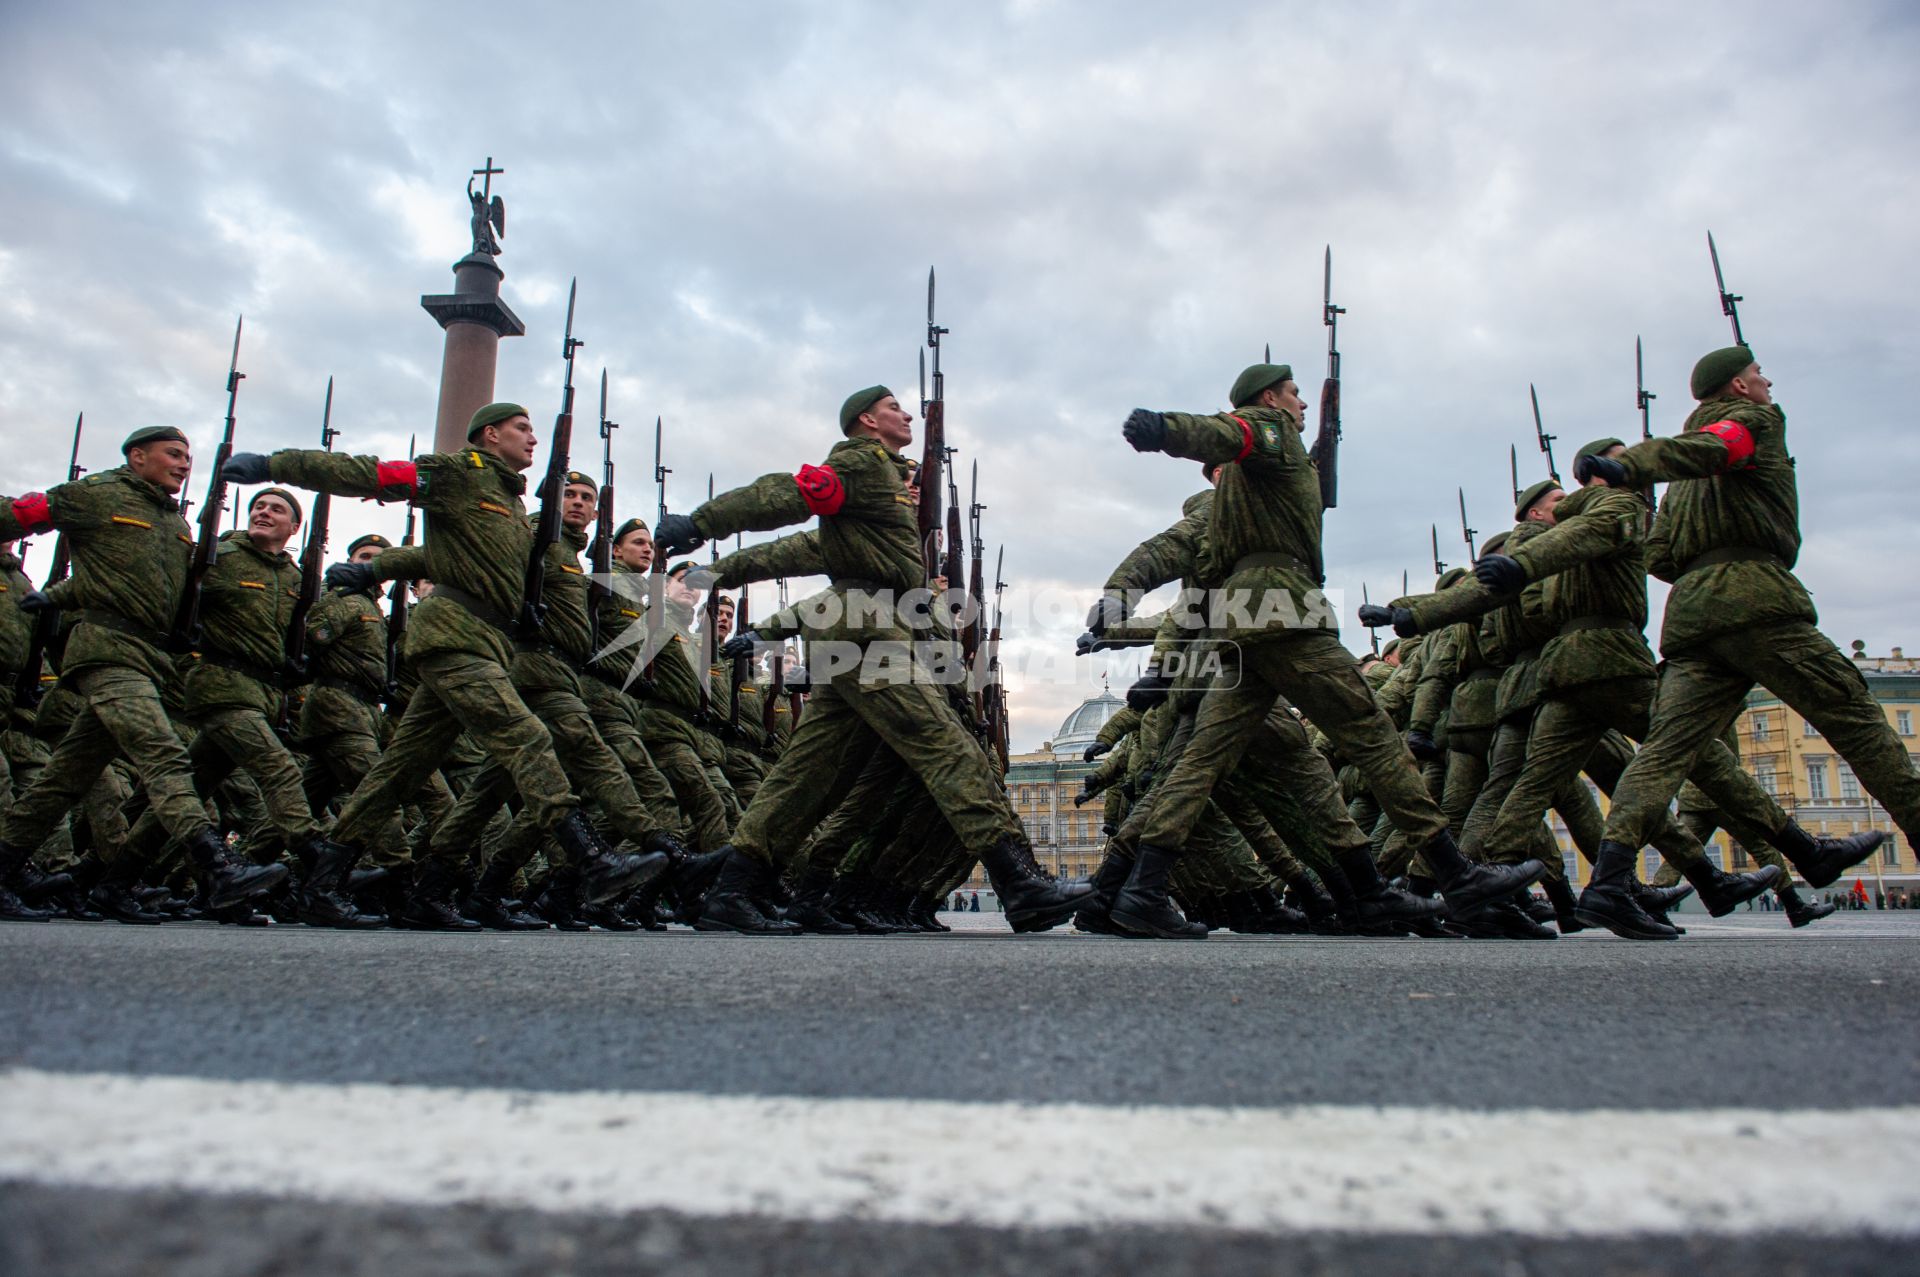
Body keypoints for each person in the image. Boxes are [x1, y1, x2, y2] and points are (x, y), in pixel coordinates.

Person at [1107, 362, 1542, 937]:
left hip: (1242, 624)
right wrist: (1165, 430)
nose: (1302, 403)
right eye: (1294, 393)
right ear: (1269, 397)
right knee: (1371, 732)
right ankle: (1454, 872)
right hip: (1285, 609)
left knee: (1203, 760)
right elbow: (1227, 430)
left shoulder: (1246, 483)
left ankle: (1143, 889)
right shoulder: (1267, 428)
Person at [656, 385, 1089, 934]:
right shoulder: (861, 462)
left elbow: (790, 552)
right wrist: (702, 524)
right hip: (868, 634)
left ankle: (733, 887)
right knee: (946, 749)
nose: (905, 415)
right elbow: (787, 494)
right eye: (893, 408)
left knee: (808, 776)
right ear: (866, 419)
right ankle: (1019, 882)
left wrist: (715, 567)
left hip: (863, 634)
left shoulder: (877, 507)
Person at [222, 402, 657, 929]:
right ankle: (590, 856)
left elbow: (439, 557)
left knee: (398, 771)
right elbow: (375, 473)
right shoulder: (457, 473)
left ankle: (329, 885)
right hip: (454, 636)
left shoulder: (511, 508)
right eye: (523, 428)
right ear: (489, 434)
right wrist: (275, 465)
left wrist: (380, 568)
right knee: (526, 736)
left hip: (484, 640)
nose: (533, 439)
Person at [1574, 347, 1899, 928]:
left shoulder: (1680, 488)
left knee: (1664, 755)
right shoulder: (1754, 422)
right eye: (1757, 375)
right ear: (1738, 389)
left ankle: (1610, 878)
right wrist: (1633, 466)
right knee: (1861, 727)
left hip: (1693, 620)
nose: (1767, 380)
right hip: (1758, 602)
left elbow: (1663, 558)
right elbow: (1726, 446)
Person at [0, 426, 286, 919]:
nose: (183, 463)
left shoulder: (174, 520)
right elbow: (20, 515)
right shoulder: (96, 494)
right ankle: (217, 865)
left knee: (63, 781)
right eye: (172, 454)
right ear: (137, 456)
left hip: (148, 657)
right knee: (164, 754)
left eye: (188, 457)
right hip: (107, 649)